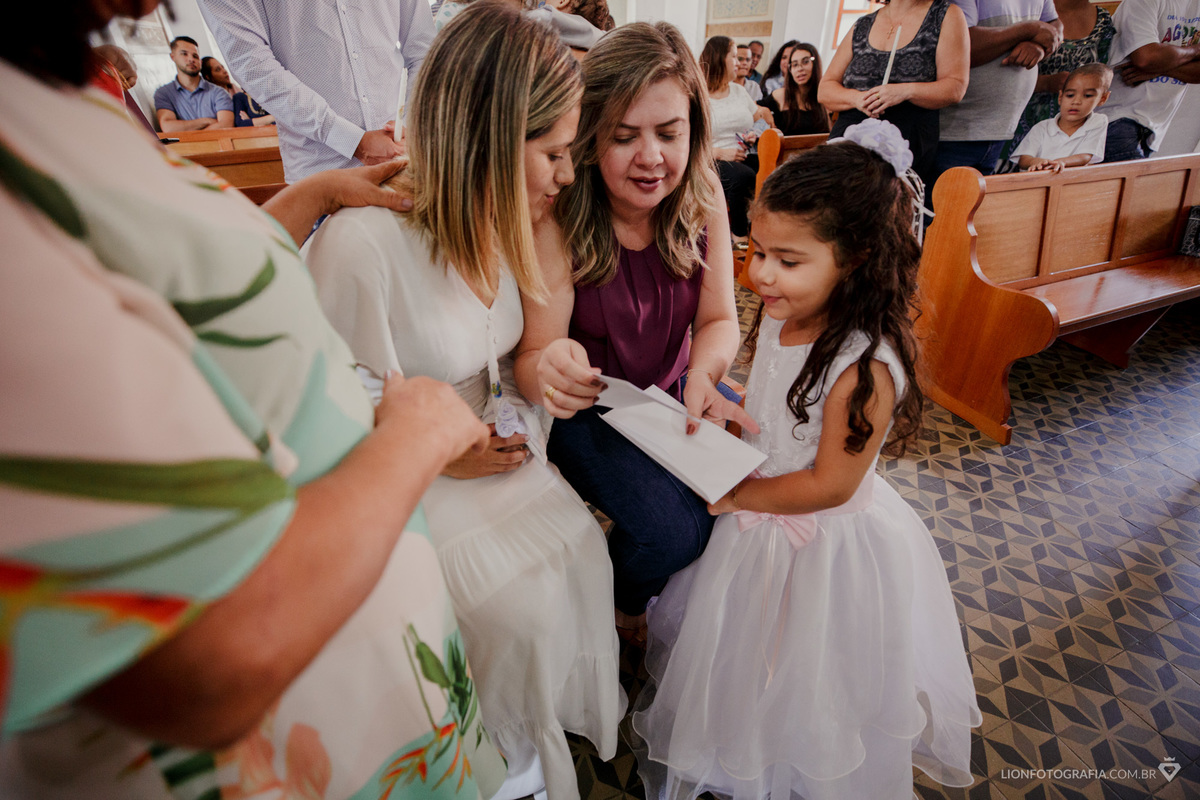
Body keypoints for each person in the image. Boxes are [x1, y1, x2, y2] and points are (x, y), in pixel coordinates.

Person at [0, 1, 513, 798]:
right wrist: (414, 440)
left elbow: (168, 283)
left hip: (362, 680)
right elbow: (207, 664)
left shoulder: (49, 100)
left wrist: (309, 200)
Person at [304, 6, 622, 800]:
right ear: (488, 139)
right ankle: (494, 765)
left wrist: (544, 375)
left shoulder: (502, 223)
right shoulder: (363, 242)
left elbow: (504, 355)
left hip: (498, 448)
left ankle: (539, 739)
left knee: (582, 553)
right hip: (405, 480)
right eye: (552, 153)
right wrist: (446, 451)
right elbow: (330, 409)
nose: (566, 175)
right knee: (516, 608)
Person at [631, 123, 981, 800]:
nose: (760, 274)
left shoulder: (865, 366)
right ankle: (739, 743)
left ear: (856, 259)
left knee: (809, 667)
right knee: (743, 650)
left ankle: (795, 761)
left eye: (787, 261)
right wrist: (736, 404)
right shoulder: (788, 314)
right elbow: (782, 404)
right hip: (762, 515)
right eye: (758, 251)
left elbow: (830, 483)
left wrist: (739, 498)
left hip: (821, 543)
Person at [514, 22, 759, 644]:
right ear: (590, 135)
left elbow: (719, 320)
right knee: (673, 532)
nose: (651, 157)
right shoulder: (561, 212)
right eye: (624, 137)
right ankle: (618, 607)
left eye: (669, 134)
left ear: (693, 130)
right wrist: (552, 369)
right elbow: (534, 356)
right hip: (587, 407)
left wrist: (705, 373)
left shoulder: (702, 193)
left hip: (673, 390)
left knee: (740, 500)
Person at [197, 0, 434, 181]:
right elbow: (252, 65)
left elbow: (424, 49)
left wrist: (409, 125)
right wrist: (351, 141)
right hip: (321, 173)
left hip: (406, 159)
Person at [820, 0, 968, 190]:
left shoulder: (945, 15)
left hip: (904, 143)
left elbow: (955, 87)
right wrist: (857, 98)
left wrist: (905, 91)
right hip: (848, 143)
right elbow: (825, 89)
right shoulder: (863, 24)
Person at [935, 0, 1063, 178]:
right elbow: (962, 46)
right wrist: (1029, 30)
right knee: (942, 195)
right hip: (956, 131)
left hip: (1001, 129)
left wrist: (1038, 46)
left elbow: (1054, 24)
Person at [998, 0, 1114, 162]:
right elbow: (999, 73)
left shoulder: (1102, 20)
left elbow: (1102, 75)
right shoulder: (1031, 11)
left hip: (1072, 128)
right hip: (1017, 118)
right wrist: (1046, 83)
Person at [1101, 0, 1200, 162]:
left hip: (1151, 130)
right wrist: (1197, 50)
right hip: (1115, 120)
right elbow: (1147, 58)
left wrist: (1160, 68)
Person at [699, 35, 775, 243]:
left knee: (774, 172)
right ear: (718, 59)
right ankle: (738, 236)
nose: (740, 63)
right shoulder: (698, 95)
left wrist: (753, 133)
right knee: (744, 176)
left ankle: (765, 232)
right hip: (709, 159)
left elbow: (760, 118)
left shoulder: (739, 91)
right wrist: (720, 153)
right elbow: (688, 141)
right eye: (734, 57)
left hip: (743, 153)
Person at [1011, 61, 1110, 171]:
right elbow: (1023, 160)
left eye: (1087, 95)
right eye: (1070, 95)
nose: (1076, 101)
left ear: (1102, 98)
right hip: (1039, 179)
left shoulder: (1098, 121)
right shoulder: (1042, 128)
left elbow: (1085, 157)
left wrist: (1059, 163)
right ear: (1060, 97)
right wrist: (1037, 162)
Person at [153, 35, 234, 132]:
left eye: (195, 56)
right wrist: (206, 121)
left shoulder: (219, 92)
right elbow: (168, 128)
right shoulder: (163, 93)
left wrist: (186, 131)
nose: (191, 59)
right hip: (193, 143)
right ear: (173, 57)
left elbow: (226, 125)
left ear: (200, 62)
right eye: (184, 54)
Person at [761, 43, 831, 136]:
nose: (799, 69)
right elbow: (751, 106)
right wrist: (763, 110)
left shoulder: (825, 97)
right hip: (785, 145)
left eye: (805, 62)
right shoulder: (781, 95)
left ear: (815, 64)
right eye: (795, 65)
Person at [202, 55, 277, 128]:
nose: (224, 71)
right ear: (208, 77)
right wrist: (270, 118)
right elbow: (241, 124)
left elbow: (279, 118)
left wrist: (251, 121)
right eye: (218, 69)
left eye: (223, 67)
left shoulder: (265, 93)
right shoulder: (239, 97)